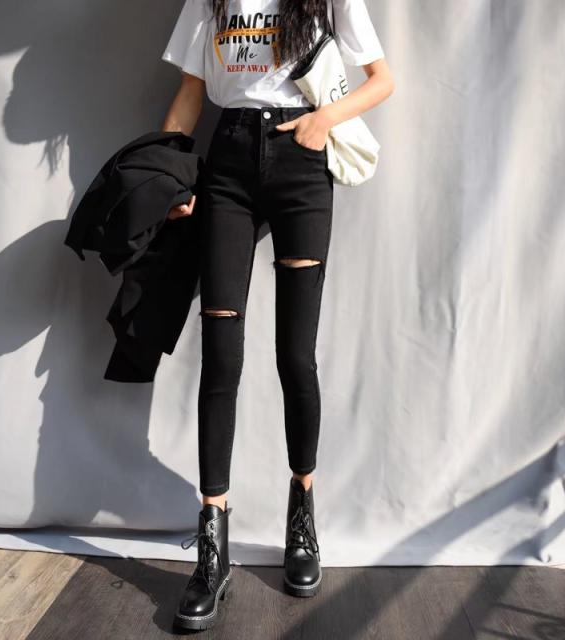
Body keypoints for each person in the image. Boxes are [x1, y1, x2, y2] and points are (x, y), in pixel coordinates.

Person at [161, 0, 394, 629]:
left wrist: (325, 119)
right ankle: (213, 544)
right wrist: (172, 173)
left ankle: (302, 514)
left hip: (301, 162)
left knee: (295, 354)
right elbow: (190, 93)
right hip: (229, 162)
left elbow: (382, 79)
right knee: (221, 356)